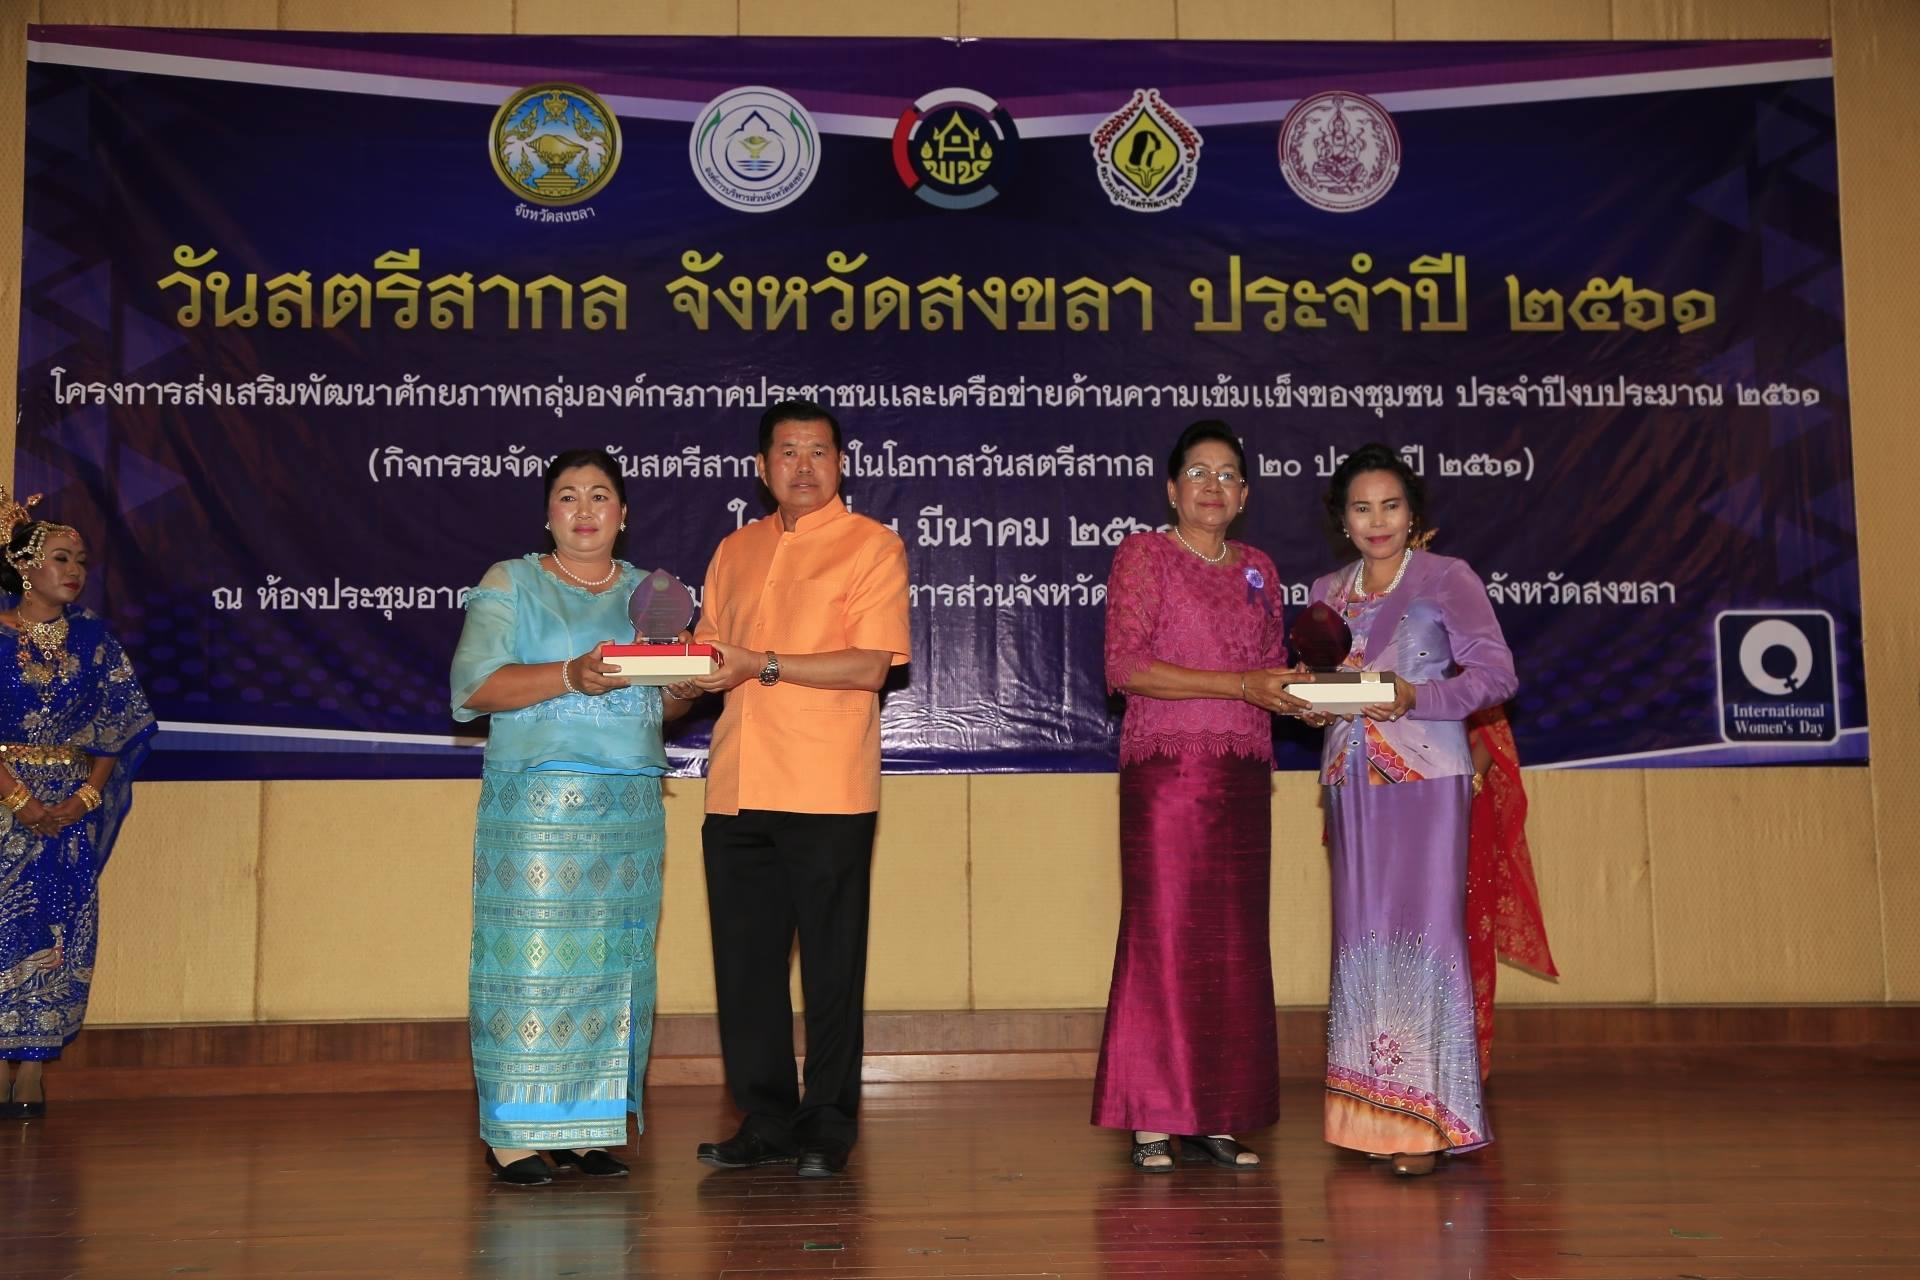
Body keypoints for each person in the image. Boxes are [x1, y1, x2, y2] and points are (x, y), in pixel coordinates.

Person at [672, 399, 909, 1180]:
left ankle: (829, 1123)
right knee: (746, 969)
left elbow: (869, 666)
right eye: (787, 452)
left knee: (832, 969)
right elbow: (712, 658)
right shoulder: (733, 549)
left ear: (840, 463)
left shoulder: (872, 546)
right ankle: (766, 1117)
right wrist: (672, 671)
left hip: (827, 788)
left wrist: (761, 663)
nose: (803, 466)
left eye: (818, 452)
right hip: (737, 783)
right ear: (761, 466)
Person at [450, 449, 691, 1186]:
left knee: (614, 966)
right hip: (538, 803)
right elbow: (473, 687)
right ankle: (514, 1135)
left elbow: (657, 707)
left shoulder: (653, 594)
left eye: (600, 495)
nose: (585, 509)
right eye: (568, 495)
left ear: (624, 514)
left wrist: (685, 683)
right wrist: (569, 675)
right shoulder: (511, 582)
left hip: (629, 807)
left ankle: (590, 1128)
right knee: (531, 966)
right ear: (547, 512)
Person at [1094, 420, 1312, 1173]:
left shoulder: (1259, 569)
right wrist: (1242, 685)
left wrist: (1304, 698)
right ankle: (1152, 1116)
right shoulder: (1145, 554)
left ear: (1244, 495)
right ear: (1172, 489)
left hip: (1244, 773)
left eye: (1226, 475)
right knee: (1165, 936)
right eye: (1197, 472)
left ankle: (1215, 1112)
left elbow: (1268, 668)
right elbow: (1126, 668)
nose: (1212, 486)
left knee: (1232, 944)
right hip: (1169, 773)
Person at [1298, 443, 1516, 1176]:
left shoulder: (1447, 577)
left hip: (1426, 775)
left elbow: (1496, 675)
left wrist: (1418, 695)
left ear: (1412, 512)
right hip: (1350, 778)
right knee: (1361, 939)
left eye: (1391, 505)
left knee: (1425, 936)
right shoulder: (1327, 590)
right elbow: (1330, 683)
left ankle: (1427, 1125)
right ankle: (1370, 1115)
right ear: (1343, 519)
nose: (1377, 520)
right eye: (1362, 508)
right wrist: (1311, 701)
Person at [0, 489, 156, 1119]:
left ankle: (32, 1071)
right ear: (22, 566)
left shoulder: (93, 639)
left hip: (68, 812)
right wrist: (19, 799)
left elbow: (121, 724)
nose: (74, 571)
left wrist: (87, 796)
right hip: (4, 805)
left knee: (57, 928)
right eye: (61, 558)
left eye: (82, 561)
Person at [1465, 704, 1558, 1076]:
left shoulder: (1463, 663)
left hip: (1458, 798)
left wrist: (1467, 782)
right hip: (1390, 795)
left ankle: (1463, 1060)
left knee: (1464, 926)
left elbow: (1490, 716)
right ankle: (1397, 1060)